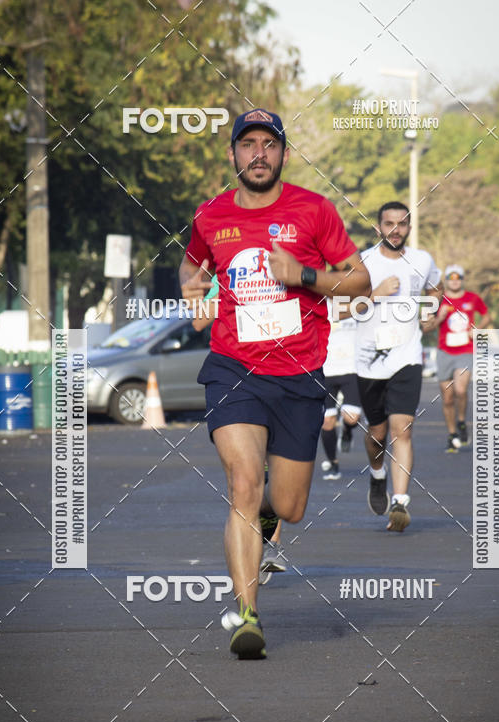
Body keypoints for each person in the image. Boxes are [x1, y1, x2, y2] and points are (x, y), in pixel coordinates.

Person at [179, 108, 370, 659]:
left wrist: (303, 276)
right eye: (248, 144)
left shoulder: (314, 210)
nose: (258, 154)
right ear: (233, 154)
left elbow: (362, 282)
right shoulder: (211, 215)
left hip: (301, 374)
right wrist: (193, 291)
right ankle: (247, 616)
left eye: (269, 144)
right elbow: (192, 267)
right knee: (243, 482)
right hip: (233, 367)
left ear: (284, 153)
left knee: (287, 506)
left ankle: (268, 516)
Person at [355, 201, 441, 532]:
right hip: (369, 360)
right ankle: (377, 475)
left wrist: (434, 314)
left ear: (409, 227)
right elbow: (343, 308)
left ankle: (399, 502)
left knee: (402, 429)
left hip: (407, 356)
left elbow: (435, 289)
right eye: (388, 223)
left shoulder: (422, 260)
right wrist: (375, 294)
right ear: (378, 228)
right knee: (376, 434)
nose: (395, 229)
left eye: (402, 224)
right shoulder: (362, 262)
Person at [427, 264, 490, 452]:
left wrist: (476, 330)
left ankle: (461, 420)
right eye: (451, 278)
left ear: (462, 280)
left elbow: (487, 316)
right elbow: (427, 327)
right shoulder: (439, 300)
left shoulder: (472, 298)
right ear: (446, 280)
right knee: (447, 399)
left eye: (458, 278)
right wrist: (440, 317)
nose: (455, 282)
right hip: (444, 352)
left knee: (460, 390)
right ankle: (452, 434)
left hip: (465, 350)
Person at [320, 299, 361, 480]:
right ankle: (333, 464)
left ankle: (347, 430)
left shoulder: (358, 304)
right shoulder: (320, 304)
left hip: (352, 369)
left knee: (351, 418)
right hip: (326, 370)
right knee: (327, 421)